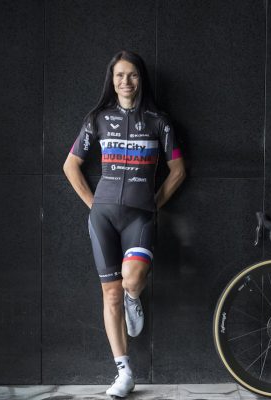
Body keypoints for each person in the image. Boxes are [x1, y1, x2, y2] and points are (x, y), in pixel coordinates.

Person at [63, 50, 185, 398]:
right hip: (102, 216)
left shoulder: (160, 122)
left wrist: (153, 204)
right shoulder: (97, 119)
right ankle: (124, 372)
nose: (125, 81)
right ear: (112, 80)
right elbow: (71, 165)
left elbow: (178, 170)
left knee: (131, 280)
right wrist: (94, 205)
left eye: (131, 74)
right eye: (119, 75)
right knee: (110, 292)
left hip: (140, 216)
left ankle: (135, 297)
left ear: (140, 78)